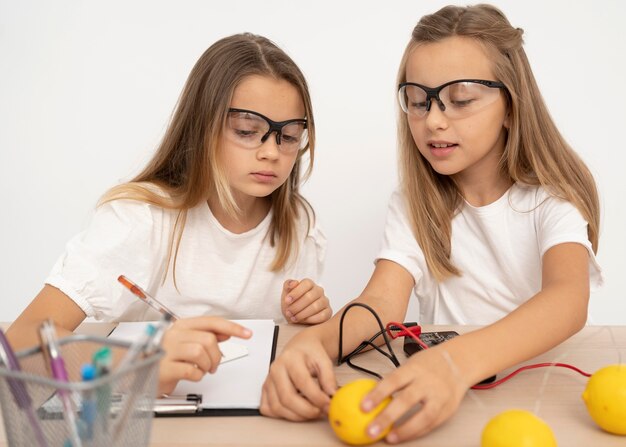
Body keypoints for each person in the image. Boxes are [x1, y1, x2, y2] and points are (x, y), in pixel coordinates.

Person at [260, 4, 602, 443]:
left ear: (512, 105)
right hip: (447, 404)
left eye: (460, 100)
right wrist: (313, 345)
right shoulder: (413, 203)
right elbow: (382, 303)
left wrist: (455, 363)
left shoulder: (550, 200)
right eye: (419, 101)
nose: (434, 120)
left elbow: (568, 300)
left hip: (536, 398)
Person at [7, 33, 331, 394]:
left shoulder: (298, 223)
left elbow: (289, 346)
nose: (272, 152)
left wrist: (310, 317)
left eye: (288, 135)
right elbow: (22, 343)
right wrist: (137, 365)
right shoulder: (139, 218)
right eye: (247, 131)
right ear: (202, 125)